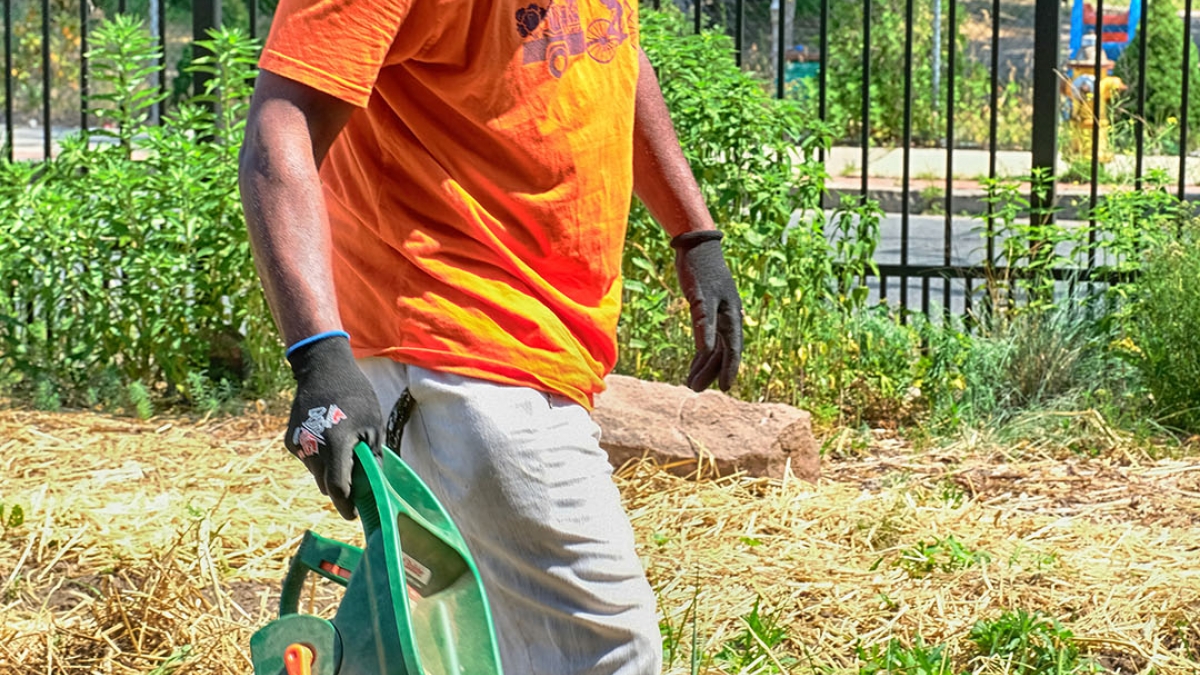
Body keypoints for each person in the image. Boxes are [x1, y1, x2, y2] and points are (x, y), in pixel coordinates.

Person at [238, 1, 743, 673]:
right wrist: (319, 358)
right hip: (460, 365)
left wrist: (694, 233)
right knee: (609, 653)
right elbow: (282, 124)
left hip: (521, 357)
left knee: (474, 654)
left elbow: (605, 43)